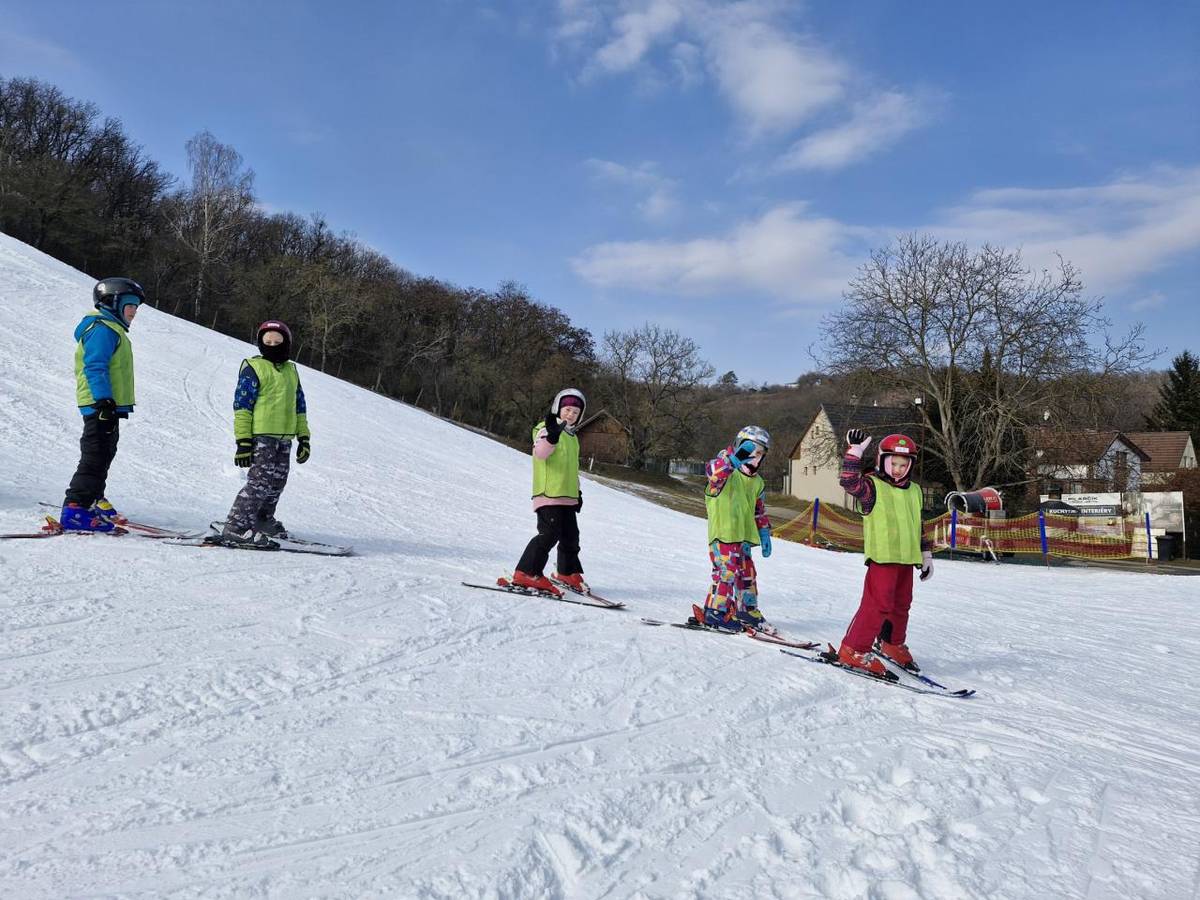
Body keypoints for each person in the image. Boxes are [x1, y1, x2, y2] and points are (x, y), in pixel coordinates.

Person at [836, 429, 934, 675]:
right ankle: (853, 649)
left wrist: (926, 554)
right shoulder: (872, 487)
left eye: (904, 463)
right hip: (883, 558)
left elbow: (918, 524)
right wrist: (855, 452)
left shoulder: (914, 491)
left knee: (902, 605)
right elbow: (848, 481)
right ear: (882, 461)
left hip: (907, 558)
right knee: (877, 604)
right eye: (894, 463)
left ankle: (892, 643)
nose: (899, 468)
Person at [215, 320, 310, 547]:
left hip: (284, 438)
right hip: (261, 437)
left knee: (277, 482)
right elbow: (242, 407)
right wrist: (244, 441)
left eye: (277, 342)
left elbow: (300, 406)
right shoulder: (253, 367)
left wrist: (303, 437)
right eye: (267, 342)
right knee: (259, 483)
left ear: (286, 344)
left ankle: (262, 519)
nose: (272, 345)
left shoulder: (291, 370)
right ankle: (236, 526)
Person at [60, 278, 145, 532]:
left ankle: (94, 497)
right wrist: (103, 400)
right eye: (130, 305)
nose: (133, 312)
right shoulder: (102, 329)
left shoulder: (113, 329)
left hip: (108, 405)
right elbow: (95, 367)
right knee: (95, 455)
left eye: (136, 308)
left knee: (105, 452)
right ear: (112, 303)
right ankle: (75, 507)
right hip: (100, 404)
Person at [508, 388, 587, 595]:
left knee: (571, 536)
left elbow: (572, 469)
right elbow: (540, 454)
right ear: (558, 408)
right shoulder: (545, 428)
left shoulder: (573, 437)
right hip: (548, 495)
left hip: (567, 497)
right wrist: (551, 437)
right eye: (567, 409)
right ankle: (526, 571)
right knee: (549, 534)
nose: (570, 414)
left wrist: (577, 493)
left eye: (575, 412)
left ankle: (566, 572)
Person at [699, 426, 775, 632]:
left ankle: (747, 610)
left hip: (743, 538)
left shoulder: (757, 482)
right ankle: (716, 611)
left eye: (760, 454)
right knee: (726, 573)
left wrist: (764, 532)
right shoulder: (722, 470)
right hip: (724, 536)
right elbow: (714, 475)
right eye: (750, 452)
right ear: (738, 447)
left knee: (747, 575)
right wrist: (733, 460)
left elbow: (759, 510)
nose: (755, 459)